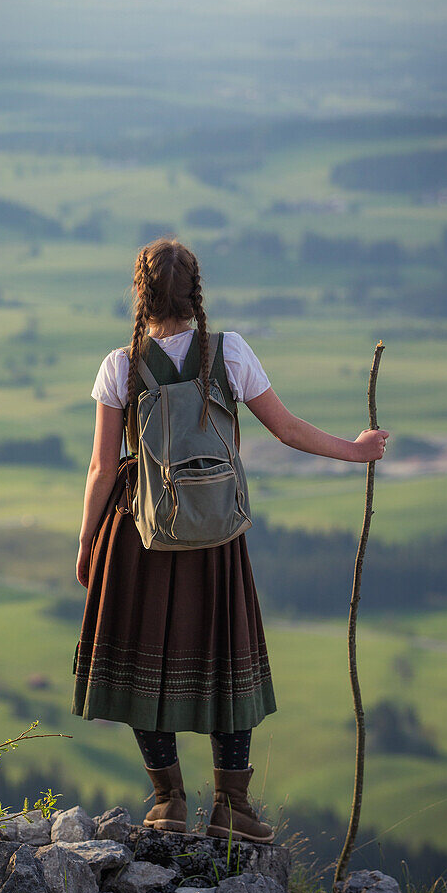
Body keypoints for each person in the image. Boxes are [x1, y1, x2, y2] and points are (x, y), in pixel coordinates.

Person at [72, 237, 389, 843]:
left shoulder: (120, 365)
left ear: (139, 294)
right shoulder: (230, 353)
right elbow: (288, 429)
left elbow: (102, 469)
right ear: (196, 292)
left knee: (145, 665)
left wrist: (87, 541)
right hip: (215, 534)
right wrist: (356, 449)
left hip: (139, 536)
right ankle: (233, 808)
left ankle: (166, 802)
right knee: (225, 658)